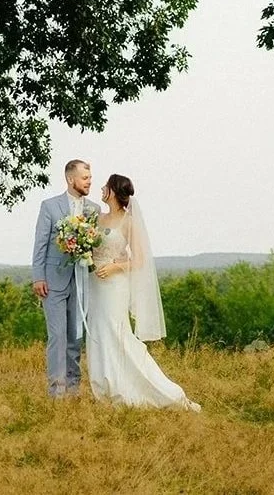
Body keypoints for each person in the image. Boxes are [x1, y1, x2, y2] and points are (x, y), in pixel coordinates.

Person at [85, 173, 200, 411]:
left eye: (106, 186)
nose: (101, 189)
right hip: (93, 283)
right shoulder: (97, 217)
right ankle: (103, 388)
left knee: (117, 335)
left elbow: (139, 261)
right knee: (98, 333)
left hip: (114, 285)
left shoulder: (128, 222)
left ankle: (159, 391)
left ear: (114, 192)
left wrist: (115, 266)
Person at [31, 159, 100, 397]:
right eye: (85, 178)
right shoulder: (49, 206)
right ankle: (56, 392)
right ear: (71, 179)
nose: (89, 182)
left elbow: (95, 248)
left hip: (82, 282)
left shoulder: (94, 209)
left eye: (90, 178)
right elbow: (40, 244)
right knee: (57, 336)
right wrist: (38, 276)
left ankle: (73, 389)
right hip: (53, 281)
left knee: (75, 337)